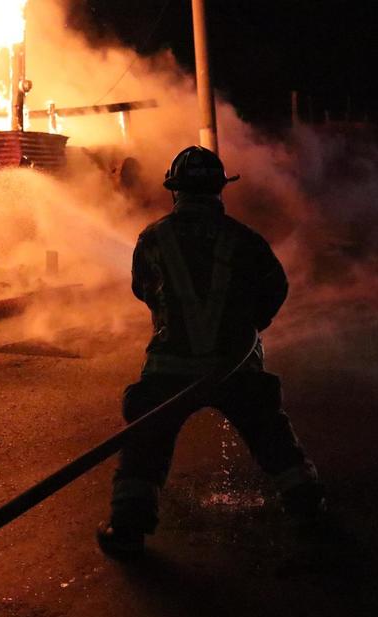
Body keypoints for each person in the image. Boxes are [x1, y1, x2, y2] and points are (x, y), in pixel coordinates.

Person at [97, 146, 325, 558]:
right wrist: (247, 326)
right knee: (272, 437)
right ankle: (310, 515)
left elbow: (143, 290)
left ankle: (128, 527)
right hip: (234, 366)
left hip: (168, 369)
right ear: (220, 189)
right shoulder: (244, 239)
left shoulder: (153, 238)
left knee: (145, 443)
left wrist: (177, 320)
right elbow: (275, 289)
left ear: (175, 190)